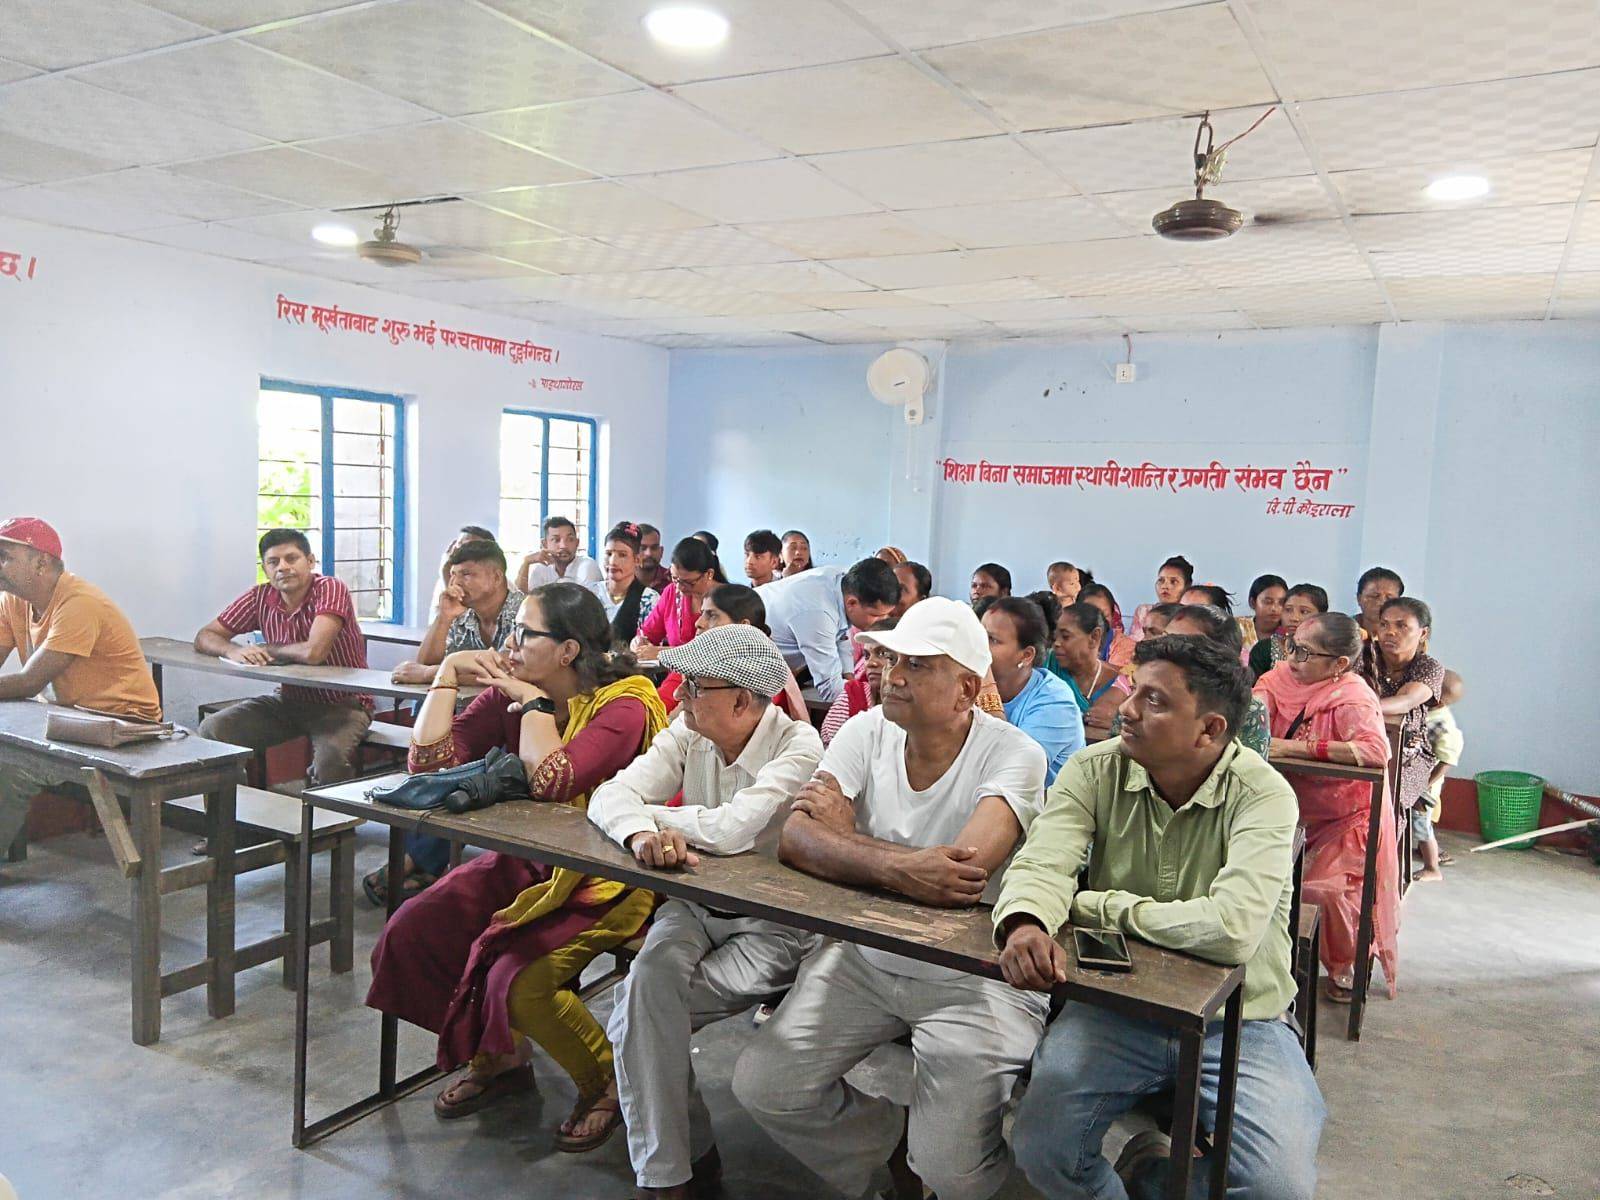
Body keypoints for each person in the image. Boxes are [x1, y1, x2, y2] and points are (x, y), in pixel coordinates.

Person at [733, 597, 1050, 1200]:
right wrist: (902, 865)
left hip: (973, 974)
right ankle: (889, 1143)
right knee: (766, 1084)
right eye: (892, 657)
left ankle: (942, 1163)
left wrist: (847, 843)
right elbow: (796, 839)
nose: (892, 674)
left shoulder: (1014, 754)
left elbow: (962, 876)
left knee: (953, 1169)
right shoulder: (866, 728)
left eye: (918, 665)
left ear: (964, 690)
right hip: (866, 956)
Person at [997, 636, 1323, 1199]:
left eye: (1155, 701)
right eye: (1132, 689)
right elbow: (1044, 862)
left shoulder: (1263, 795)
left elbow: (1230, 930)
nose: (1126, 708)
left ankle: (1152, 1174)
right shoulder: (1094, 770)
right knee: (1044, 1146)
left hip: (1242, 1022)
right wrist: (1026, 920)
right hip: (1118, 1007)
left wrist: (1099, 905)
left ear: (1210, 729)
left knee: (1279, 1189)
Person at [365, 583, 669, 1149]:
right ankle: (501, 1056)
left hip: (606, 880)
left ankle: (604, 1081)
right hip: (531, 865)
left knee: (516, 977)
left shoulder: (623, 706)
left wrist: (530, 704)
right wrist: (449, 672)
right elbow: (426, 761)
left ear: (568, 650)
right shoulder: (516, 689)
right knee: (414, 929)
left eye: (525, 633)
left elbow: (554, 780)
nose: (510, 643)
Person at [587, 624, 825, 1200]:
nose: (679, 696)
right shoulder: (686, 732)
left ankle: (680, 1166)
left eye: (693, 686)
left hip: (775, 925)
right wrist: (640, 831)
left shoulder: (800, 747)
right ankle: (671, 1174)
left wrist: (656, 822)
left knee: (638, 1015)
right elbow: (608, 796)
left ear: (742, 699)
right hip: (693, 907)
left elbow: (735, 830)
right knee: (648, 986)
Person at [0, 517, 162, 860]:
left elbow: (30, 682)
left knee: (11, 769)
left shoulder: (79, 602)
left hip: (124, 728)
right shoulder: (13, 601)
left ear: (41, 562)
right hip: (70, 721)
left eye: (4, 557)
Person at [1256, 611, 1398, 1001]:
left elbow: (1374, 751)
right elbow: (1252, 724)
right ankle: (1267, 960)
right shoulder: (1276, 680)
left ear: (1338, 665)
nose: (1293, 661)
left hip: (1345, 818)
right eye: (1291, 647)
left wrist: (1298, 749)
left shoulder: (1351, 697)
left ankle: (1342, 967)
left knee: (1322, 891)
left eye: (1304, 653)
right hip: (1285, 811)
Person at [195, 529, 371, 786]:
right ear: (265, 568)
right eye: (273, 562)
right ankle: (233, 814)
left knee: (329, 763)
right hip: (290, 701)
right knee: (213, 729)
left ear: (310, 562)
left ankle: (340, 825)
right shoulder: (260, 597)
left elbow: (314, 653)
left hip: (343, 704)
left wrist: (270, 649)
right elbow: (205, 635)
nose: (283, 568)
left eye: (292, 558)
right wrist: (233, 650)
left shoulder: (330, 589)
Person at [1362, 597, 1446, 882]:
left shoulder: (1428, 666)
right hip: (1363, 741)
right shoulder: (1363, 655)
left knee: (1389, 797)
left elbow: (1407, 700)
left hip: (1410, 754)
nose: (1390, 632)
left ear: (1423, 633)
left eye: (1401, 626)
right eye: (1384, 625)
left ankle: (1379, 874)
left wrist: (1357, 706)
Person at [756, 558, 899, 706]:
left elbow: (841, 636)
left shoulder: (843, 581)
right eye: (876, 616)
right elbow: (830, 689)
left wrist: (850, 678)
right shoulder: (818, 613)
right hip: (751, 660)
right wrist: (881, 693)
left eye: (886, 614)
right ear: (852, 603)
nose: (882, 621)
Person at [657, 584, 807, 722]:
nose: (699, 623)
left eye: (712, 615)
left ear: (743, 627)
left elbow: (727, 725)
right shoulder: (699, 661)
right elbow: (658, 706)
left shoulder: (765, 675)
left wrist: (681, 712)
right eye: (702, 613)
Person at [980, 597, 1084, 785]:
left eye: (992, 640)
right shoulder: (968, 685)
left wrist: (984, 681)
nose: (979, 647)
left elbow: (1012, 770)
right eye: (979, 636)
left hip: (1041, 808)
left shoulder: (1056, 702)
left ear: (1026, 655)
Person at [394, 540, 523, 686]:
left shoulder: (525, 613)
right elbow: (425, 663)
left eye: (466, 574)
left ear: (497, 578)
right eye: (453, 574)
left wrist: (429, 674)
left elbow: (505, 672)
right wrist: (444, 617)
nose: (456, 582)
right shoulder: (461, 613)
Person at [1163, 604, 1271, 757]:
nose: (1164, 652)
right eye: (1164, 639)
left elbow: (1249, 773)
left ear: (1219, 658)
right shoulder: (1145, 694)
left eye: (1182, 645)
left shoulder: (1249, 709)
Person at [1043, 603, 1122, 738]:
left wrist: (1117, 724)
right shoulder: (1045, 666)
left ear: (1094, 637)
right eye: (1055, 637)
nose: (1056, 643)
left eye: (1066, 636)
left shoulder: (1119, 682)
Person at [633, 537, 722, 657]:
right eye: (675, 578)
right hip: (674, 674)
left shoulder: (726, 599)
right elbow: (648, 633)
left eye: (688, 582)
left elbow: (719, 651)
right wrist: (639, 642)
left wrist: (664, 652)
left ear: (709, 574)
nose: (680, 587)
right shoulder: (671, 592)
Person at [819, 618, 895, 745]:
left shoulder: (919, 704)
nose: (870, 663)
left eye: (882, 653)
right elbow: (831, 751)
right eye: (866, 655)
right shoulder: (853, 697)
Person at [1423, 670, 1467, 874]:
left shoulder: (1443, 725)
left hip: (1428, 782)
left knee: (1422, 822)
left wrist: (1426, 784)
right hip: (1415, 776)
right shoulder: (1422, 708)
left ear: (1438, 699)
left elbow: (1447, 760)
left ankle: (1432, 861)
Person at [588, 522, 659, 646]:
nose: (613, 561)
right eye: (609, 554)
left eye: (622, 555)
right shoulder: (591, 593)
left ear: (637, 560)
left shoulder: (649, 599)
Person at [1248, 582, 1328, 680]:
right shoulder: (1263, 649)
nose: (1294, 618)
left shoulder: (1330, 652)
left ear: (1322, 616)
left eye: (1304, 612)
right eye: (1288, 610)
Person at [516, 515, 602, 592]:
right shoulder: (540, 568)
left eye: (570, 539)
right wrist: (526, 562)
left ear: (577, 543)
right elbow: (522, 599)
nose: (563, 546)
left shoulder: (588, 566)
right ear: (545, 544)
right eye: (556, 540)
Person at [428, 524, 496, 620]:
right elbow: (435, 621)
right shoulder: (445, 577)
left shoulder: (495, 582)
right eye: (459, 544)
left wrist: (446, 574)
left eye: (468, 546)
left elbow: (469, 624)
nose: (459, 551)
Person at [1130, 553, 1193, 640]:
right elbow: (1134, 643)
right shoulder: (1144, 612)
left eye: (1173, 582)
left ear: (1187, 585)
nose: (1165, 586)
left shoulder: (1190, 617)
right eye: (1161, 580)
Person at [1078, 582, 1134, 669]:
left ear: (1112, 615)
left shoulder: (1125, 646)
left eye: (1105, 615)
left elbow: (1118, 677)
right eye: (1090, 614)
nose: (1098, 621)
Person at [1239, 573, 1288, 657]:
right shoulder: (1236, 627)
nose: (1274, 608)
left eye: (1281, 602)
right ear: (1252, 603)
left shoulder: (1290, 632)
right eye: (1268, 602)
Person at [1355, 566, 1405, 640]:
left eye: (1389, 598)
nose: (1382, 602)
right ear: (1359, 599)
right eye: (1374, 596)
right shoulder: (1344, 630)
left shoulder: (1405, 635)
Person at [637, 523, 671, 593]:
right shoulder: (622, 580)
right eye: (643, 548)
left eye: (654, 548)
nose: (649, 553)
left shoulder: (672, 581)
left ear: (661, 551)